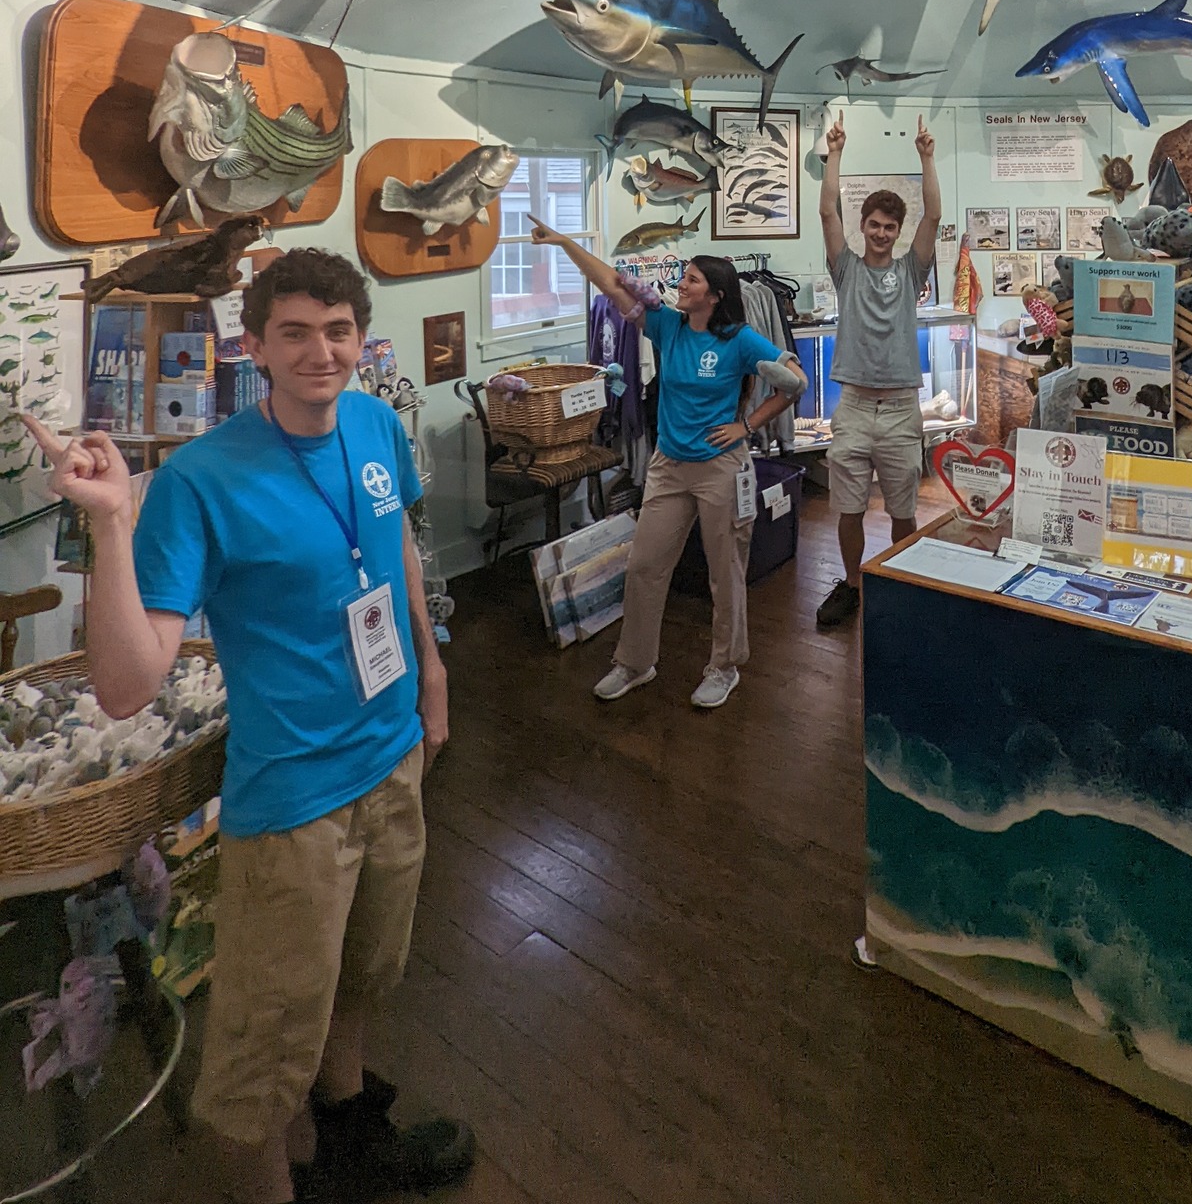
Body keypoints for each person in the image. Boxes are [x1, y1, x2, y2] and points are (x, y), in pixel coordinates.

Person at [27, 249, 472, 1204]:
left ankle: (347, 1135)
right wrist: (110, 524)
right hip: (295, 806)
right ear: (258, 346)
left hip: (393, 762)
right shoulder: (200, 482)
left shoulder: (377, 422)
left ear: (361, 337)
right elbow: (124, 684)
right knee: (260, 1068)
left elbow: (395, 544)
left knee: (366, 974)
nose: (322, 351)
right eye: (297, 333)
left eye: (339, 330)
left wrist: (431, 667)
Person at [529, 225, 801, 709]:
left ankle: (724, 667)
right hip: (669, 467)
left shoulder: (740, 339)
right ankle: (635, 663)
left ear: (714, 296)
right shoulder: (667, 326)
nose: (681, 283)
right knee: (646, 566)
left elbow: (792, 380)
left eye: (691, 280)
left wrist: (748, 425)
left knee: (726, 573)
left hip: (721, 468)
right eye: (683, 276)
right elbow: (613, 284)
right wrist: (566, 244)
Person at [815, 112, 941, 628]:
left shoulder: (912, 269)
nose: (883, 233)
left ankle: (903, 583)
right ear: (863, 227)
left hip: (899, 411)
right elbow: (827, 213)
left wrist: (926, 157)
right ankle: (851, 584)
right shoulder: (845, 268)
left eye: (891, 227)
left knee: (903, 511)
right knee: (847, 509)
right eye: (875, 225)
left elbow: (932, 217)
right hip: (854, 407)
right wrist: (836, 154)